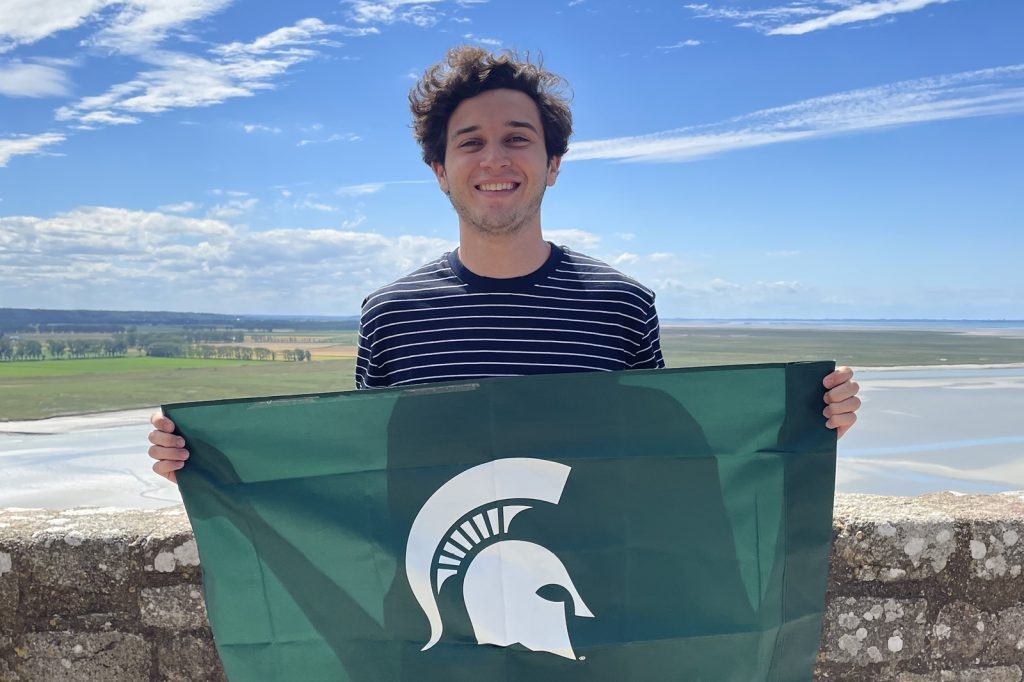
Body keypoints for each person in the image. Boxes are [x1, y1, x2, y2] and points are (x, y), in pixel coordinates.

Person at [148, 46, 861, 482]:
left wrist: (801, 419)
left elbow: (663, 459)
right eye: (470, 142)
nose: (494, 159)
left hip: (588, 611)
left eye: (518, 139)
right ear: (439, 170)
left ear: (553, 165)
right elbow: (362, 470)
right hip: (438, 617)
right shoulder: (391, 315)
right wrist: (212, 459)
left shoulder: (621, 306)